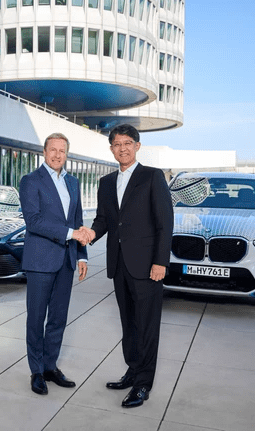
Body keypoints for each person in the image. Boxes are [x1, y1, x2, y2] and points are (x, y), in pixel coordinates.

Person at [81, 124, 173, 408]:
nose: (122, 148)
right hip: (119, 265)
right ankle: (133, 371)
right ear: (111, 149)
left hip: (147, 266)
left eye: (127, 143)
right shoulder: (106, 183)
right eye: (117, 144)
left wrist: (160, 262)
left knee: (147, 326)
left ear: (137, 146)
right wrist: (90, 234)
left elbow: (164, 223)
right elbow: (104, 220)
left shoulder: (152, 177)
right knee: (129, 324)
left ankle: (143, 385)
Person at [19, 132, 90, 396]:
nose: (57, 155)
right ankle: (36, 371)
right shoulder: (30, 181)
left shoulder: (73, 182)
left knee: (58, 318)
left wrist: (81, 254)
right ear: (44, 152)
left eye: (62, 150)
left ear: (66, 154)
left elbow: (78, 218)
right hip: (40, 260)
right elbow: (33, 221)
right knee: (36, 318)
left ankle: (50, 367)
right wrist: (71, 235)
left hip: (66, 260)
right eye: (53, 150)